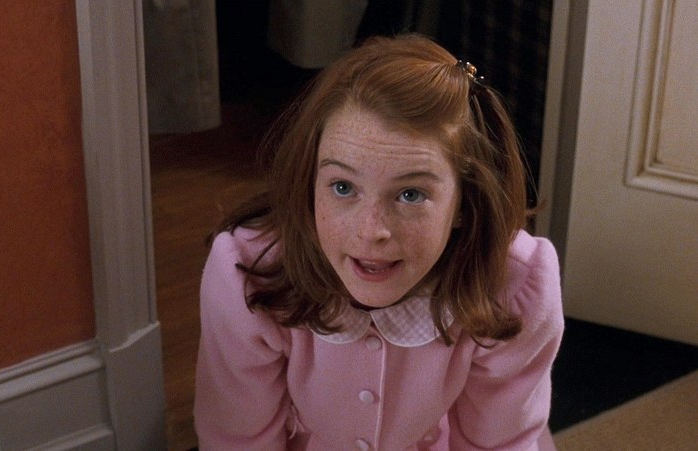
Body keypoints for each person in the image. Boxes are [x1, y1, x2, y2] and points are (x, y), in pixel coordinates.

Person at [193, 34, 564, 450]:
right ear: (309, 181)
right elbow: (239, 440)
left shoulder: (514, 287)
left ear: (465, 202)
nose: (371, 231)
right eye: (343, 187)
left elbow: (499, 444)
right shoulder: (248, 275)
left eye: (411, 194)